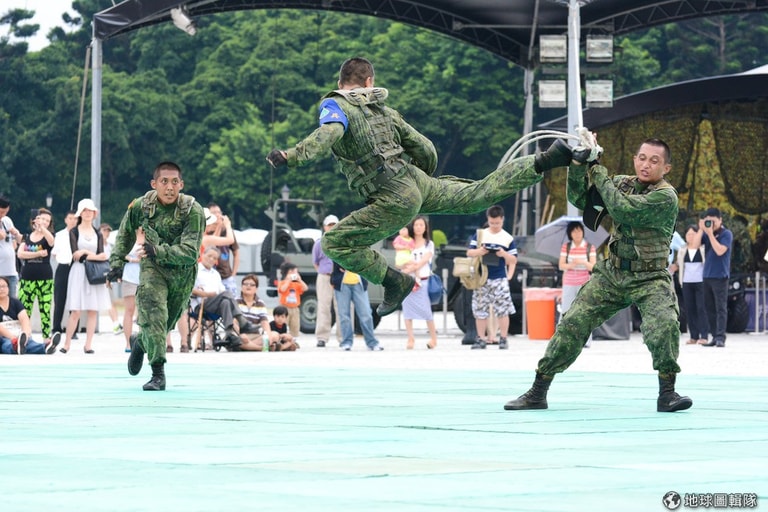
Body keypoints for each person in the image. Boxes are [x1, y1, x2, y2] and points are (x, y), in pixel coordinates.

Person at [266, 57, 575, 318]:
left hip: (392, 194)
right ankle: (544, 160)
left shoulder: (335, 104)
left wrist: (292, 155)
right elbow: (425, 148)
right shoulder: (385, 111)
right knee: (477, 195)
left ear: (341, 82)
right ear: (369, 81)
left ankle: (393, 281)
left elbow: (330, 133)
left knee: (334, 244)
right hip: (416, 180)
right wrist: (420, 180)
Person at [504, 138, 693, 413]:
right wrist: (579, 165)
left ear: (666, 168)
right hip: (613, 273)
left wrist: (598, 169)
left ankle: (667, 393)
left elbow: (623, 210)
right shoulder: (621, 183)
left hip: (651, 277)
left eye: (654, 161)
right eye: (642, 158)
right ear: (634, 159)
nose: (646, 164)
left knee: (664, 325)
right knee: (573, 322)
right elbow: (581, 199)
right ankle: (538, 391)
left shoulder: (666, 197)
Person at [107, 161, 205, 391]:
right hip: (153, 269)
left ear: (181, 185)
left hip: (182, 273)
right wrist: (116, 263)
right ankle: (158, 374)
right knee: (155, 317)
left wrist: (158, 249)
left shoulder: (193, 210)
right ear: (154, 184)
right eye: (164, 182)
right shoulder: (141, 206)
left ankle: (140, 342)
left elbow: (191, 252)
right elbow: (125, 233)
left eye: (174, 182)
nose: (169, 187)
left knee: (165, 325)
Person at [59, 199, 111, 355]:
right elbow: (76, 255)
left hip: (94, 272)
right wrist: (90, 255)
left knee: (92, 310)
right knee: (75, 310)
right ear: (80, 213)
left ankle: (88, 345)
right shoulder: (74, 232)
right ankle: (67, 343)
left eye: (90, 210)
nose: (88, 213)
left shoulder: (98, 233)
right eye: (85, 210)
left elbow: (103, 255)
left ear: (94, 213)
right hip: (78, 272)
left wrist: (86, 252)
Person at [467, 205, 517, 350]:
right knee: (480, 309)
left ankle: (503, 338)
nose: (494, 226)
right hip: (481, 277)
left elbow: (513, 259)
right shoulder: (480, 234)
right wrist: (481, 251)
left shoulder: (507, 238)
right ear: (488, 219)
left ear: (502, 220)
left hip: (499, 277)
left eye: (497, 223)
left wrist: (503, 254)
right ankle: (481, 338)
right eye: (492, 223)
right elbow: (469, 252)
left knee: (503, 310)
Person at [190, 247, 256, 348]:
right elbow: (189, 290)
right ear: (203, 255)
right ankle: (242, 321)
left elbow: (222, 291)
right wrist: (207, 294)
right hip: (201, 305)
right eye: (209, 256)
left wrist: (216, 295)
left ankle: (229, 334)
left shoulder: (216, 274)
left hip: (216, 304)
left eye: (214, 258)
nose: (211, 259)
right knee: (227, 294)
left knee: (226, 301)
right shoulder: (195, 270)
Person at [16, 208, 56, 348]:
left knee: (45, 309)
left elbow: (51, 242)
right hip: (27, 278)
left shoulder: (49, 235)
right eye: (41, 219)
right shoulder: (26, 237)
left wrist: (42, 229)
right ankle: (25, 337)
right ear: (34, 220)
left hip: (45, 279)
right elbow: (20, 254)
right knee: (24, 310)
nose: (44, 222)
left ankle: (47, 339)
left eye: (47, 221)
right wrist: (38, 254)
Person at [399, 216, 438, 350]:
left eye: (421, 225)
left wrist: (410, 268)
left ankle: (433, 338)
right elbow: (401, 261)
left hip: (423, 281)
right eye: (416, 225)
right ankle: (410, 338)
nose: (419, 227)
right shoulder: (406, 243)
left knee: (427, 311)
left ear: (425, 228)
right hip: (408, 281)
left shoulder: (429, 244)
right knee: (407, 311)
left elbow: (423, 261)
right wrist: (406, 269)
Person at [696, 207, 732, 347]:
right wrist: (701, 229)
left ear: (720, 220)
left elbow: (720, 251)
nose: (711, 224)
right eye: (708, 221)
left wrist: (710, 234)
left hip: (720, 276)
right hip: (707, 275)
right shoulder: (706, 233)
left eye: (713, 221)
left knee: (720, 308)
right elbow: (694, 246)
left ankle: (721, 337)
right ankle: (714, 336)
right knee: (709, 308)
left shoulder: (726, 234)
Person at [558, 220, 596, 347]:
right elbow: (561, 265)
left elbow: (594, 267)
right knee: (566, 311)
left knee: (585, 310)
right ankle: (563, 339)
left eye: (579, 230)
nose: (577, 233)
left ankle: (586, 340)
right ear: (570, 233)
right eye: (574, 231)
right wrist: (571, 264)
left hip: (584, 283)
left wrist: (583, 262)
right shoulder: (566, 247)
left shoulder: (589, 247)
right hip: (569, 282)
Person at [0, 276, 60, 354]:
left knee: (31, 344)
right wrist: (13, 338)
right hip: (4, 336)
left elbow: (24, 319)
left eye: (4, 286)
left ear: (8, 288)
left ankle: (46, 347)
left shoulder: (15, 302)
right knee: (6, 345)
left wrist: (25, 334)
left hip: (18, 333)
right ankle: (16, 347)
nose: (1, 289)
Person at [331, 262, 383, 351]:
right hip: (341, 283)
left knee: (366, 314)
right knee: (344, 315)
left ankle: (372, 342)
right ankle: (346, 342)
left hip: (359, 283)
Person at [671, 225, 708, 345]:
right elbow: (679, 263)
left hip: (700, 282)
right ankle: (693, 336)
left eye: (693, 234)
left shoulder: (702, 249)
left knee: (701, 308)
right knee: (690, 309)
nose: (690, 237)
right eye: (688, 234)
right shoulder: (682, 249)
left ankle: (704, 335)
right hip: (687, 282)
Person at [234, 274, 281, 351]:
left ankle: (247, 347)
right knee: (237, 340)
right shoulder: (235, 301)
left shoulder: (260, 303)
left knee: (274, 335)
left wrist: (269, 336)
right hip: (240, 335)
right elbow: (234, 322)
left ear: (256, 289)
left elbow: (264, 323)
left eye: (252, 285)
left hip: (255, 335)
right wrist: (239, 334)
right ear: (242, 287)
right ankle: (260, 348)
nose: (248, 286)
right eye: (245, 284)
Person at [312, 214, 339, 348]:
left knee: (342, 307)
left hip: (340, 277)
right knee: (323, 307)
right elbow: (315, 262)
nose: (332, 227)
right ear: (324, 227)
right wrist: (324, 272)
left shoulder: (342, 241)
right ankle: (322, 337)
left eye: (334, 225)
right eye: (329, 225)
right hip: (325, 276)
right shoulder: (319, 243)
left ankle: (344, 336)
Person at [50, 210, 78, 336]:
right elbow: (54, 253)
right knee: (59, 299)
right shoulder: (60, 235)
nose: (72, 221)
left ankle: (73, 330)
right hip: (63, 267)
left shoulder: (79, 234)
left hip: (75, 266)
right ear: (66, 220)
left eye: (75, 218)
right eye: (70, 218)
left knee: (75, 300)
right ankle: (56, 328)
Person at [206, 203, 240, 298]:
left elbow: (236, 253)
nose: (217, 215)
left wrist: (233, 274)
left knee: (231, 300)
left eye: (219, 212)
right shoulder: (206, 231)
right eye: (214, 212)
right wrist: (221, 226)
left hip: (226, 275)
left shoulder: (227, 231)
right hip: (210, 273)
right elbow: (213, 244)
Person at [99, 223, 123, 334]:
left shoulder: (110, 246)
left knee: (110, 302)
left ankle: (116, 323)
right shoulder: (96, 245)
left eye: (108, 231)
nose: (106, 233)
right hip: (98, 276)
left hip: (107, 276)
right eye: (104, 230)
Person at [277, 261, 308, 340]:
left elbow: (305, 288)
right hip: (284, 307)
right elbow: (282, 289)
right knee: (283, 324)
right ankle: (282, 339)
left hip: (295, 308)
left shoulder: (296, 284)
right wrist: (288, 280)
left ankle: (294, 339)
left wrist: (300, 280)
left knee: (295, 325)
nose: (295, 274)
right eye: (293, 272)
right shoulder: (282, 282)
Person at [0, 195, 23, 298]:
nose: (2, 215)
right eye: (1, 212)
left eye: (5, 212)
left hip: (11, 271)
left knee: (12, 302)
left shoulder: (7, 221)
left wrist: (16, 233)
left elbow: (19, 240)